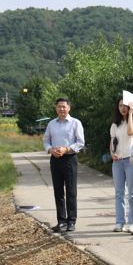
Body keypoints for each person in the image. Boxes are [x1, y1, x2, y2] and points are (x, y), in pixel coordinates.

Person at [43, 98, 85, 233]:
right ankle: (61, 221)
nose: (61, 109)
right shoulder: (51, 124)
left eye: (64, 107)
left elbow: (80, 142)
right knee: (58, 191)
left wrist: (66, 149)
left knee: (71, 191)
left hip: (70, 159)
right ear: (56, 108)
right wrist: (50, 150)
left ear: (69, 108)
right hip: (55, 160)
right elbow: (46, 140)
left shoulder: (75, 123)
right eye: (59, 107)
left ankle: (71, 221)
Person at [109, 97, 133, 233]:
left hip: (132, 160)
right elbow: (112, 141)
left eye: (125, 105)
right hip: (117, 161)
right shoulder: (114, 124)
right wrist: (112, 154)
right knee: (119, 193)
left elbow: (131, 132)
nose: (123, 108)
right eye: (120, 105)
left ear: (130, 107)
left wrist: (131, 113)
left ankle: (132, 222)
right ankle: (119, 222)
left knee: (132, 193)